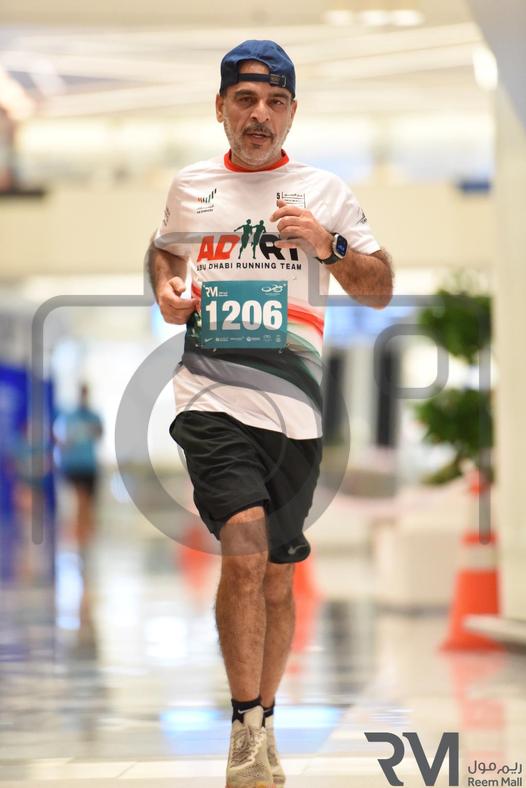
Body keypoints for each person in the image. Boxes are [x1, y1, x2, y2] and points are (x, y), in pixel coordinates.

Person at [146, 39, 393, 788]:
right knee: (245, 549)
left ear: (291, 112)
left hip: (296, 413)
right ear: (220, 107)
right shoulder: (191, 187)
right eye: (246, 100)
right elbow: (165, 252)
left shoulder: (324, 191)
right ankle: (242, 727)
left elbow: (379, 288)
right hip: (210, 397)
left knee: (279, 576)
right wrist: (166, 289)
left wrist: (329, 244)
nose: (260, 114)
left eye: (275, 102)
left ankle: (266, 723)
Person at [53, 383, 103, 551]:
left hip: (88, 465)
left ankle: (85, 533)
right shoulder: (69, 417)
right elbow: (60, 440)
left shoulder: (94, 417)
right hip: (73, 465)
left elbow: (99, 435)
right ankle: (79, 533)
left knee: (87, 501)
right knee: (79, 499)